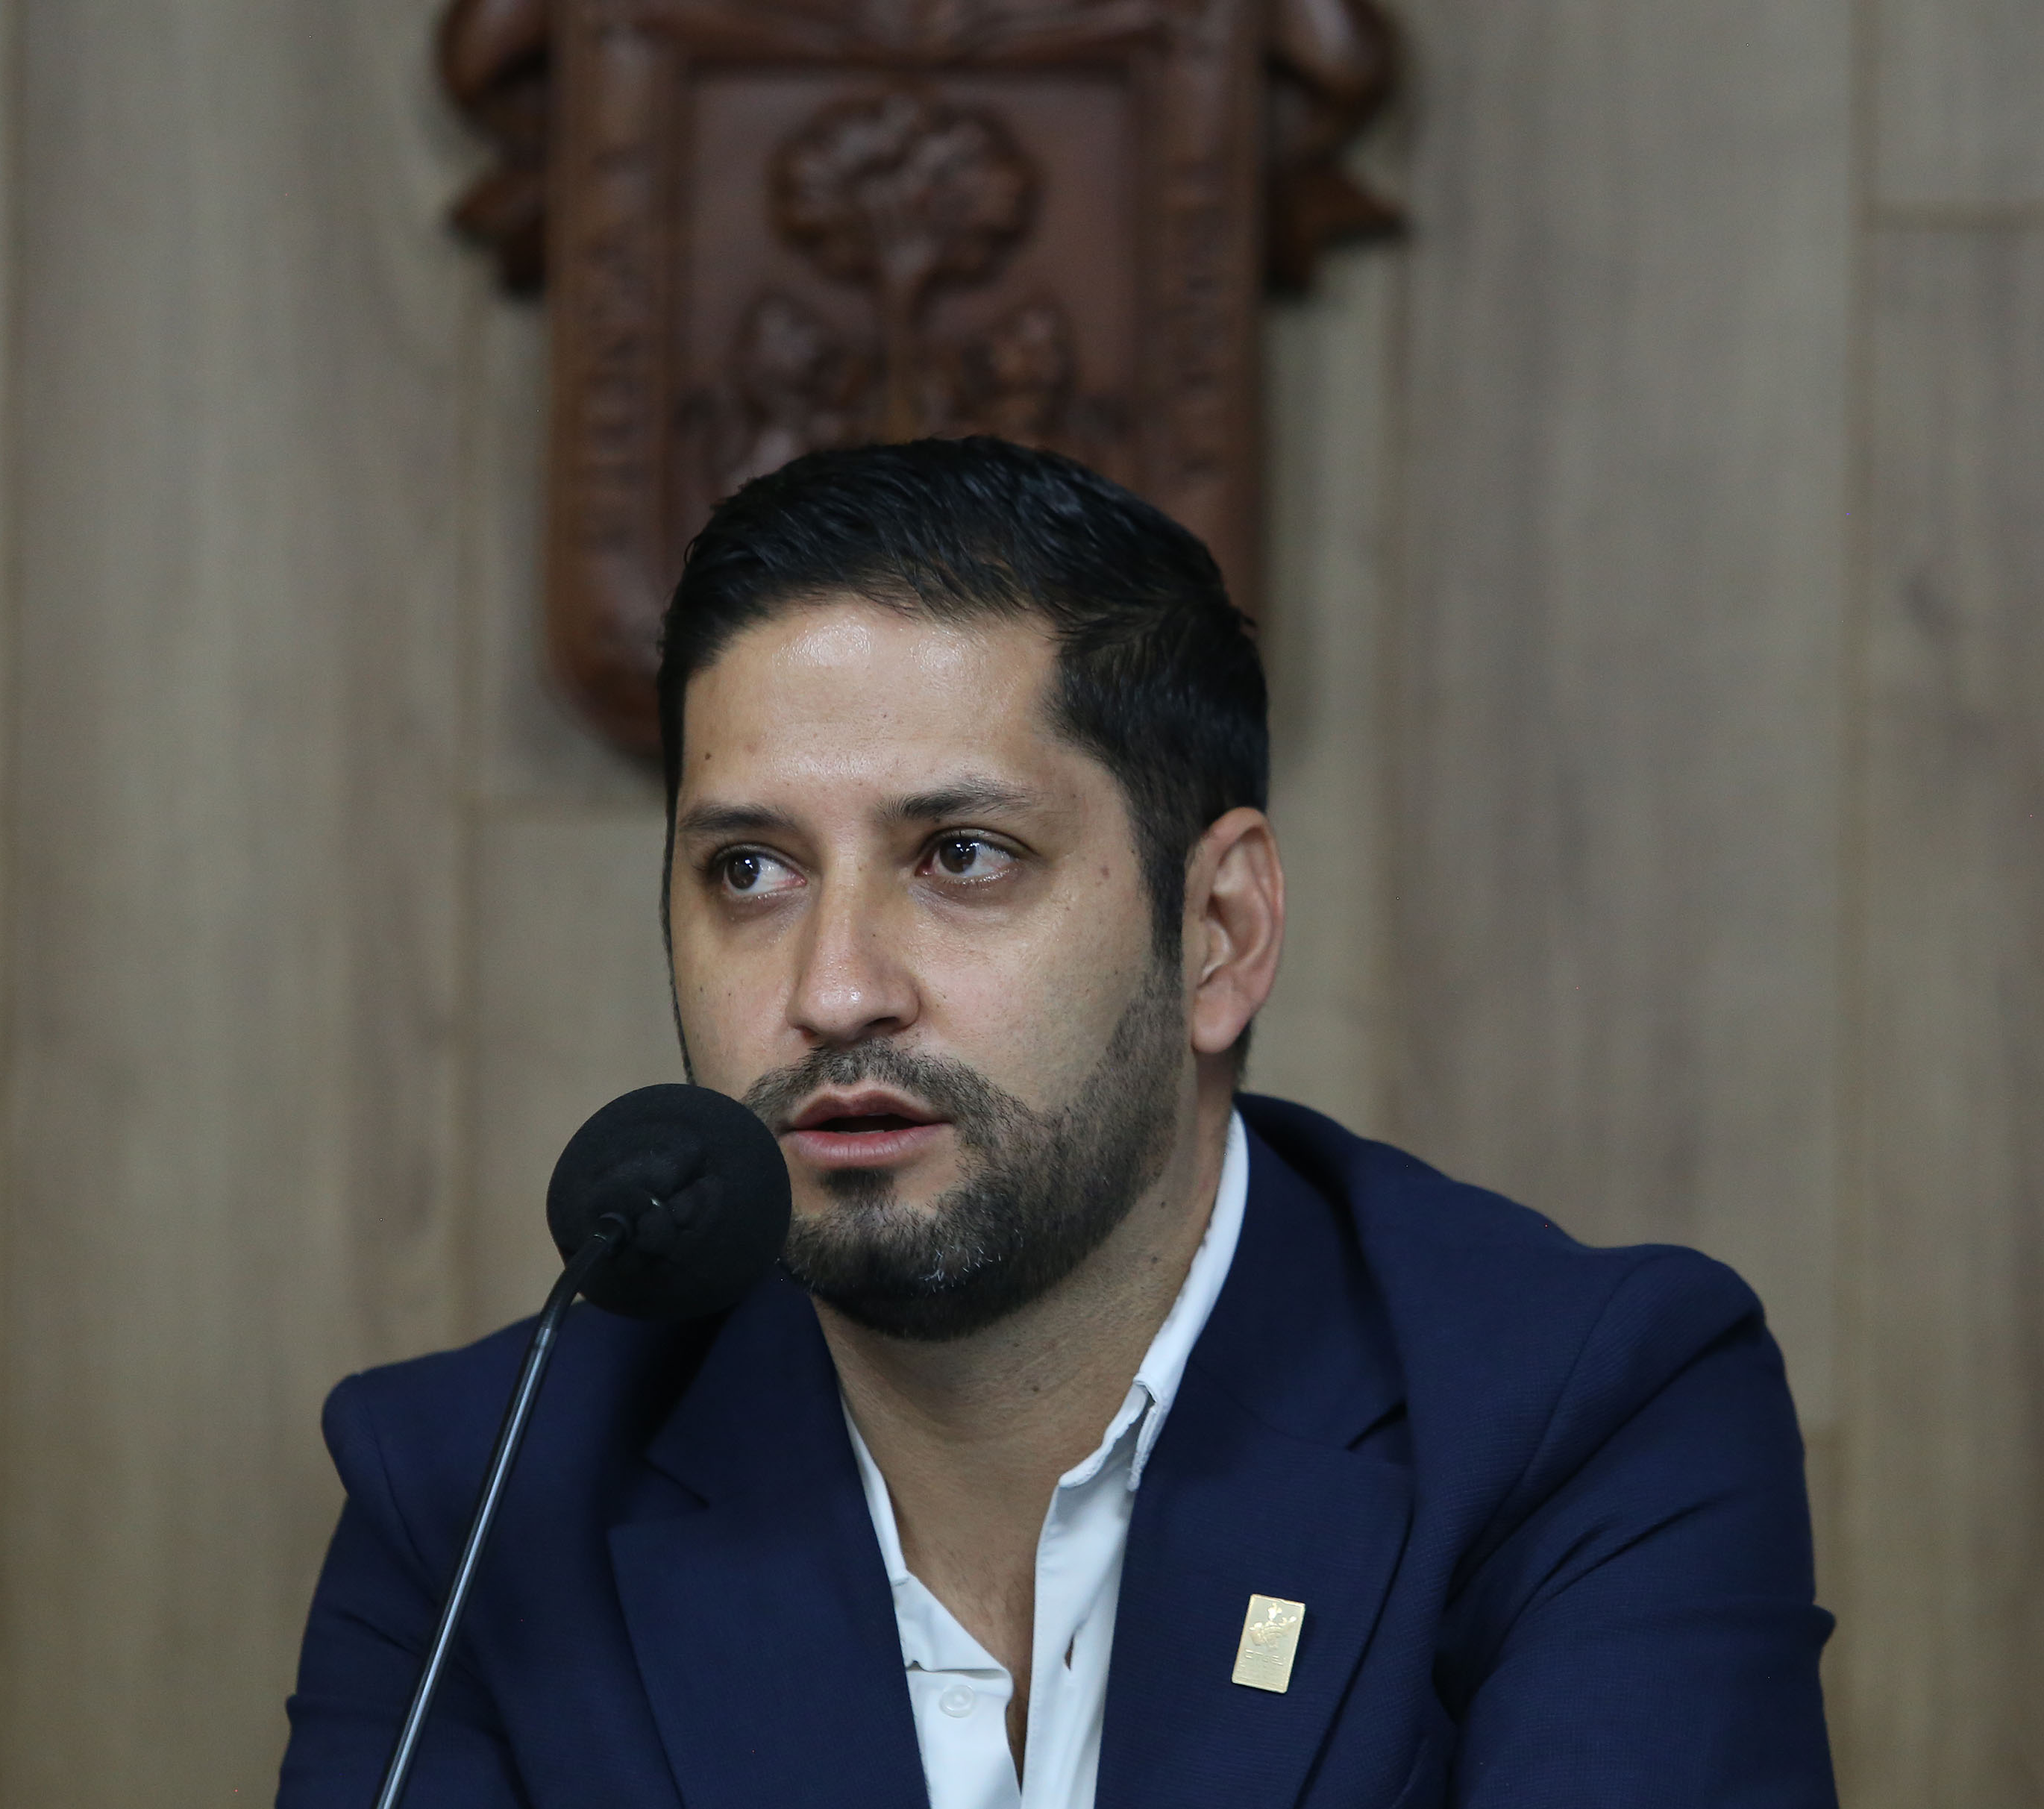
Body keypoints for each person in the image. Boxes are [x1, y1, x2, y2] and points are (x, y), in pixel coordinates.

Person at [275, 437, 1837, 1808]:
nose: (835, 990)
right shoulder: (483, 1494)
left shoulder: (1578, 1417)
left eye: (961, 853)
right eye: (751, 869)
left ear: (1217, 930)